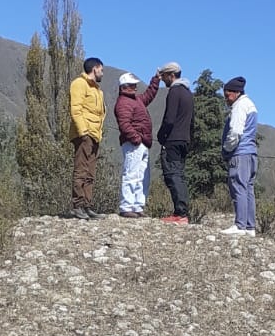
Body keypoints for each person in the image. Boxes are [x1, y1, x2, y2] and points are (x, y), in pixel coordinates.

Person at [114, 70, 160, 217]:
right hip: (134, 144)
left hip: (141, 143)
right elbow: (124, 125)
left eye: (135, 85)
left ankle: (138, 206)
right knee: (131, 174)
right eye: (132, 85)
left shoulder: (135, 99)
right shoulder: (123, 103)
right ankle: (127, 206)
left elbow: (148, 95)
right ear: (124, 87)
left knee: (142, 176)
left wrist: (156, 80)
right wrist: (136, 139)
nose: (135, 87)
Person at [220, 76, 259, 236]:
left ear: (236, 93)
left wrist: (227, 148)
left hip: (240, 153)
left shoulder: (239, 107)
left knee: (238, 186)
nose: (226, 99)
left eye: (227, 95)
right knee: (248, 188)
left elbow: (235, 131)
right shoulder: (251, 105)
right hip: (251, 153)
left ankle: (240, 225)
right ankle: (250, 226)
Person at [156, 62, 194, 223]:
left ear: (171, 75)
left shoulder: (174, 92)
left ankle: (180, 213)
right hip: (184, 139)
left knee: (172, 175)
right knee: (179, 174)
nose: (163, 79)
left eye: (164, 76)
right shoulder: (188, 93)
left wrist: (161, 135)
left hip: (172, 139)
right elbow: (192, 121)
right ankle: (183, 211)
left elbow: (169, 118)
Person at [69, 57, 106, 219]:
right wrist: (83, 132)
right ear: (95, 68)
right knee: (81, 169)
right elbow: (75, 109)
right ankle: (77, 205)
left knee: (90, 172)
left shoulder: (97, 90)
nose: (102, 73)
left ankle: (87, 205)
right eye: (101, 70)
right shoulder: (79, 84)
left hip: (95, 135)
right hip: (85, 134)